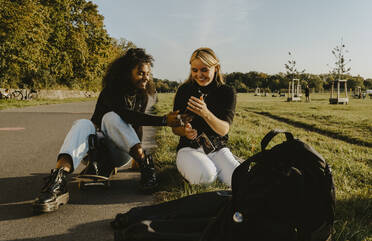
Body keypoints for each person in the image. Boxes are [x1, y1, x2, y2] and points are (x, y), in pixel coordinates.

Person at [33, 48, 186, 213]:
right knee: (82, 123)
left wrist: (138, 157)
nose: (146, 78)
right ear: (127, 73)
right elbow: (124, 115)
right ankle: (58, 182)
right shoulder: (111, 91)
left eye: (148, 74)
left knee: (110, 118)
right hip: (95, 150)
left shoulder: (142, 95)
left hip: (121, 152)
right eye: (141, 73)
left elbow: (135, 121)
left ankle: (145, 165)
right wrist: (163, 120)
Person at [172, 47, 240, 187]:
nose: (199, 75)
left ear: (216, 68)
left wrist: (205, 113)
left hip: (217, 148)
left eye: (204, 69)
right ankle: (194, 166)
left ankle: (222, 164)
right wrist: (185, 131)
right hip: (188, 148)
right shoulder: (184, 90)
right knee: (207, 177)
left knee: (240, 181)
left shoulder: (227, 92)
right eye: (194, 70)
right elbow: (175, 127)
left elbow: (223, 130)